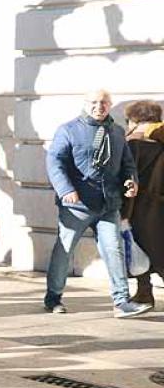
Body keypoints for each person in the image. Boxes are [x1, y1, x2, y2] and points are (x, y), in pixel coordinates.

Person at [44, 90, 148, 318]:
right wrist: (66, 190)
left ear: (109, 105)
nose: (99, 106)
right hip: (77, 205)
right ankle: (53, 297)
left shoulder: (117, 132)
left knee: (114, 249)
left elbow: (127, 164)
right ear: (86, 104)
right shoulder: (68, 130)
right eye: (94, 102)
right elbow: (54, 162)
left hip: (108, 204)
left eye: (103, 102)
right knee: (64, 250)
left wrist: (131, 181)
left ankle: (121, 301)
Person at [123, 101, 164, 307]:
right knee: (147, 251)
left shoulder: (131, 145)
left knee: (146, 251)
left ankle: (144, 292)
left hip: (139, 207)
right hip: (152, 206)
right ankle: (144, 292)